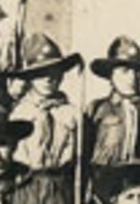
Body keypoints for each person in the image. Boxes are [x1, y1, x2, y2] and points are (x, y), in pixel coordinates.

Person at [84, 35, 140, 177]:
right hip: (106, 184)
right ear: (111, 74)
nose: (132, 78)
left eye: (137, 72)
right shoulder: (97, 109)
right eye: (125, 71)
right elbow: (84, 155)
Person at [7, 33, 84, 184]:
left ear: (61, 75)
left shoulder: (72, 113)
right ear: (30, 78)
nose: (48, 79)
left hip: (62, 184)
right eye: (40, 73)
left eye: (53, 72)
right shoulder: (20, 113)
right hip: (28, 183)